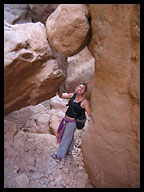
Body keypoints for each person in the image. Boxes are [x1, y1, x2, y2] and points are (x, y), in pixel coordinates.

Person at [51, 82, 92, 161]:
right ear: (77, 87)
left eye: (82, 88)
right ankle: (69, 150)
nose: (80, 89)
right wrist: (58, 89)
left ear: (84, 91)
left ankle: (59, 155)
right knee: (69, 135)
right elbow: (61, 96)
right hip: (66, 120)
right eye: (79, 87)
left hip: (73, 122)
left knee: (65, 137)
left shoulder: (84, 101)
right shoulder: (72, 95)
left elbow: (89, 113)